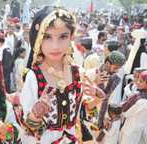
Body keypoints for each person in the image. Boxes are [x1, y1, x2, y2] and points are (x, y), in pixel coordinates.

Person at [18, 6, 105, 144]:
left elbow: (84, 111)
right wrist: (35, 115)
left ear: (71, 36)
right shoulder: (34, 77)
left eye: (63, 36)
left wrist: (97, 98)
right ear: (38, 39)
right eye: (47, 37)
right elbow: (27, 129)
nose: (55, 46)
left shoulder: (78, 72)